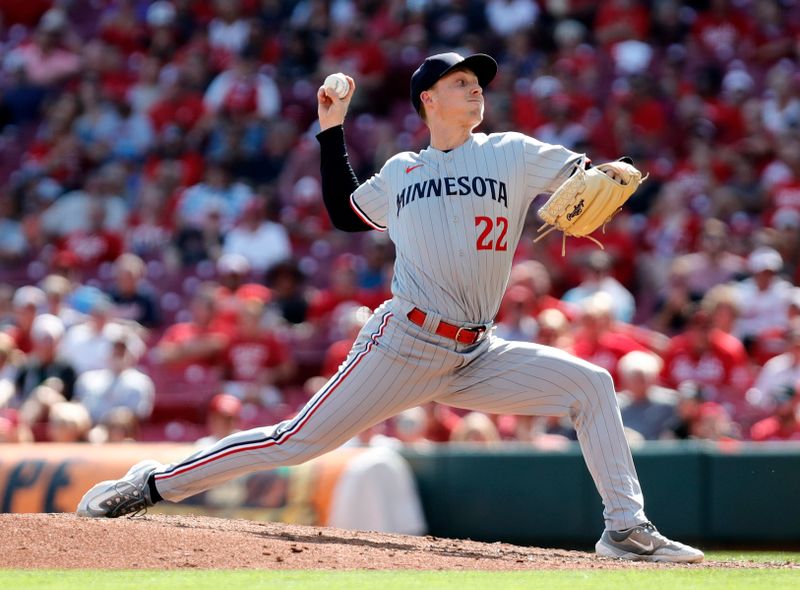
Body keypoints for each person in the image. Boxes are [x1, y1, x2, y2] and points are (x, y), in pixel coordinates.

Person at [76, 52, 702, 563]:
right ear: (429, 99)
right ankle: (153, 484)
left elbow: (580, 172)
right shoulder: (405, 169)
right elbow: (345, 215)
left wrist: (600, 176)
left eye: (478, 82)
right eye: (461, 83)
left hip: (475, 351)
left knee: (591, 383)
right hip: (404, 342)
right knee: (294, 441)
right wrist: (330, 129)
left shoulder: (509, 151)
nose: (475, 91)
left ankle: (625, 529)